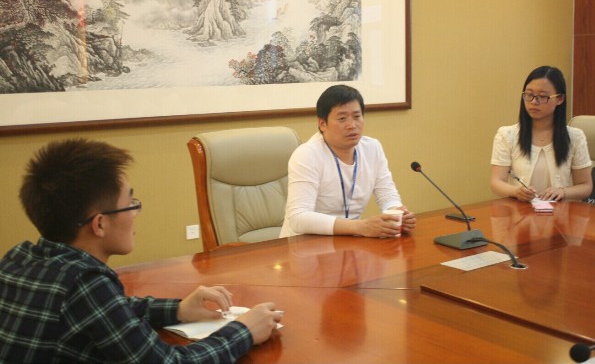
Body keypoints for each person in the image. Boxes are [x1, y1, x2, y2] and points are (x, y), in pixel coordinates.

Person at [0, 138, 282, 363]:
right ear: (100, 224)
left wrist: (178, 309)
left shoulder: (18, 258)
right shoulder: (85, 283)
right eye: (130, 204)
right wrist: (244, 331)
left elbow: (112, 311)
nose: (136, 213)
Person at [280, 84, 416, 238]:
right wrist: (361, 226)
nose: (352, 125)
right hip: (304, 244)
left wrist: (397, 214)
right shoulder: (307, 155)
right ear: (322, 124)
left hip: (349, 239)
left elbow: (387, 196)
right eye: (342, 119)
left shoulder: (372, 148)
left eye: (357, 117)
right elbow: (298, 218)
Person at [490, 66, 593, 202]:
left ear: (560, 99)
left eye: (542, 96)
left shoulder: (575, 137)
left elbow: (585, 186)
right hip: (521, 211)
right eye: (529, 95)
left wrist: (562, 192)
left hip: (561, 212)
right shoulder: (506, 135)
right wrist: (516, 191)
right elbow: (496, 182)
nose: (533, 102)